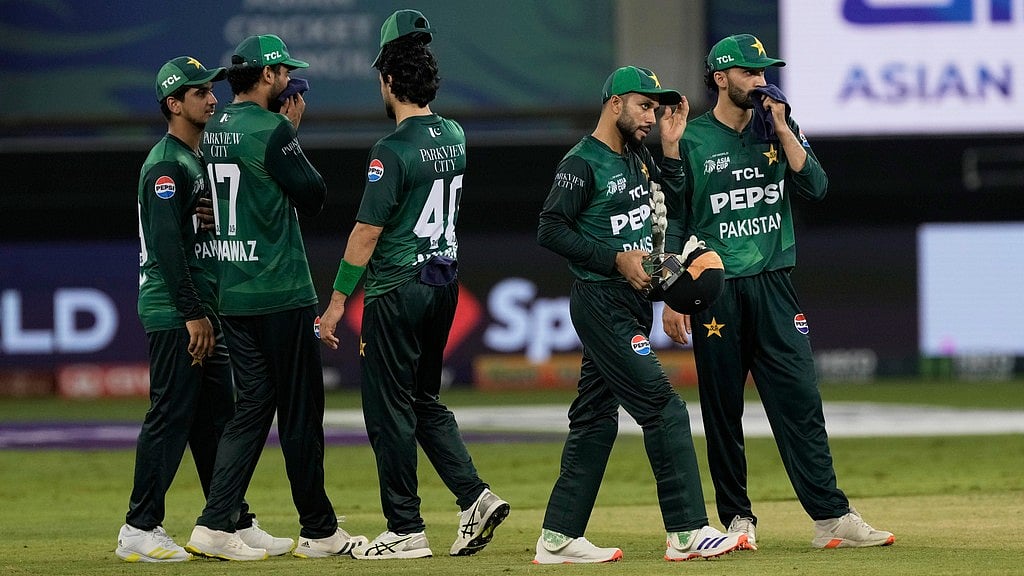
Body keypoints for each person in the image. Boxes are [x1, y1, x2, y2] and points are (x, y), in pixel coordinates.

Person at [661, 33, 895, 549]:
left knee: (801, 402)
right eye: (749, 72)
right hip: (715, 291)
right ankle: (738, 519)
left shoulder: (778, 130)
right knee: (722, 410)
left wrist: (785, 129)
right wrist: (672, 294)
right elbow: (674, 221)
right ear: (721, 78)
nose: (761, 81)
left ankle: (831, 517)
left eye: (765, 72)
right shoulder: (691, 139)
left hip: (775, 287)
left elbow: (817, 187)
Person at [532, 65, 750, 564]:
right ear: (614, 104)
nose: (652, 115)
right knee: (663, 407)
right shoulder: (582, 163)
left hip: (631, 301)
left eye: (656, 107)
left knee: (593, 420)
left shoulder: (637, 156)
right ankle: (687, 531)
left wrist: (672, 150)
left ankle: (559, 538)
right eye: (643, 105)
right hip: (602, 302)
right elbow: (549, 228)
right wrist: (615, 259)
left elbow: (668, 208)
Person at [317, 9, 509, 561]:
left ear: (388, 80)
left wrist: (334, 305)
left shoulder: (390, 150)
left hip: (398, 289)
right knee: (423, 397)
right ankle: (474, 497)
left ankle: (405, 528)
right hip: (444, 283)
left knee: (386, 410)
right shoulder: (454, 134)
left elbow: (366, 233)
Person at [182, 35, 367, 561]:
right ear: (267, 77)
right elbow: (314, 196)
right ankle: (319, 530)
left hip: (233, 292)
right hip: (280, 291)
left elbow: (206, 199)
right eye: (284, 72)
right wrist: (291, 133)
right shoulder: (272, 130)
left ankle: (216, 523)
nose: (289, 82)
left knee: (252, 410)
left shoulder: (213, 129)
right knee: (302, 413)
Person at [117, 56, 289, 562]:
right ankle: (139, 527)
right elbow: (167, 251)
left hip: (197, 310)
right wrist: (193, 313)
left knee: (217, 418)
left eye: (211, 90)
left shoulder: (188, 161)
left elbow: (184, 235)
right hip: (177, 312)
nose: (212, 98)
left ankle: (232, 519)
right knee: (170, 416)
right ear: (174, 104)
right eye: (199, 92)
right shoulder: (168, 165)